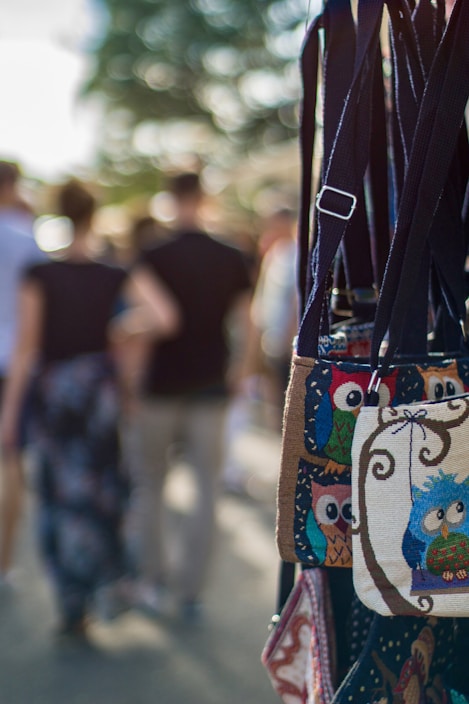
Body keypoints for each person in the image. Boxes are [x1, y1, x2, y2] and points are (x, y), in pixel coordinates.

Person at [0, 179, 180, 643]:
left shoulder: (40, 273)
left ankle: (71, 598)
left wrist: (9, 414)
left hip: (57, 393)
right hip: (98, 391)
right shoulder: (115, 269)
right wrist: (121, 330)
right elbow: (163, 316)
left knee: (59, 491)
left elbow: (26, 351)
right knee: (100, 487)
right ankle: (101, 582)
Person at [130, 171, 253, 620]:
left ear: (170, 197)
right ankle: (191, 592)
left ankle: (151, 579)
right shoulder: (231, 254)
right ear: (204, 197)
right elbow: (246, 322)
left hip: (160, 383)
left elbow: (145, 323)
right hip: (210, 382)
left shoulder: (151, 254)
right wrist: (240, 370)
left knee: (150, 483)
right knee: (207, 488)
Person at [0, 160, 45, 586]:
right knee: (10, 460)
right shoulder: (26, 240)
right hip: (13, 360)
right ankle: (4, 560)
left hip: (13, 358)